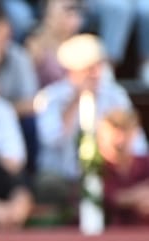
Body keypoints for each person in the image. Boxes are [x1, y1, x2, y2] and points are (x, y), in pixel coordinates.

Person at [34, 33, 147, 207]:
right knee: (49, 185)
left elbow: (137, 143)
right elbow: (51, 138)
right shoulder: (51, 97)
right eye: (89, 68)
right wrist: (75, 100)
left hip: (109, 175)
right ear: (73, 70)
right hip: (65, 175)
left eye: (98, 66)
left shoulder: (115, 95)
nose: (95, 73)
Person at [98, 108, 149, 224]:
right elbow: (106, 199)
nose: (119, 141)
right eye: (113, 135)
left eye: (125, 133)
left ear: (134, 134)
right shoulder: (95, 168)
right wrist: (137, 196)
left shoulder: (145, 163)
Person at [24, 0, 87, 87]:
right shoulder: (35, 47)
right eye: (67, 10)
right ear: (48, 15)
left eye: (75, 10)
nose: (73, 16)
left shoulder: (84, 46)